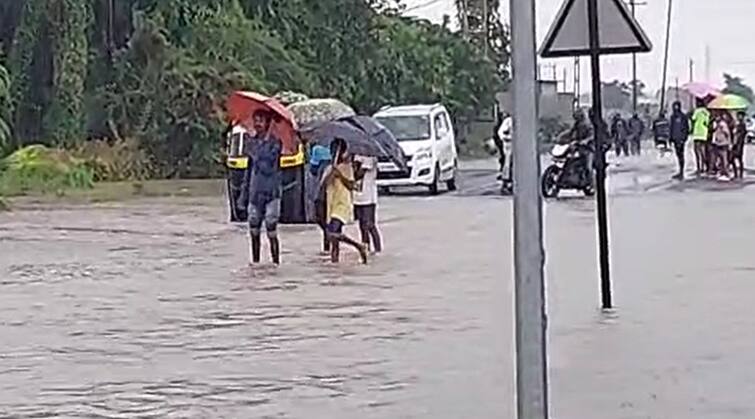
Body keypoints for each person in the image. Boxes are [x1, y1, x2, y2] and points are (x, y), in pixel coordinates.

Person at [238, 111, 283, 265]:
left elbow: (267, 166)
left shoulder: (275, 144)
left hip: (272, 193)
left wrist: (256, 151)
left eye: (261, 121)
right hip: (254, 193)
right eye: (255, 121)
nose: (257, 124)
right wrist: (243, 195)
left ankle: (275, 263)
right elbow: (249, 171)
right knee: (253, 228)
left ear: (268, 123)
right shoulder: (252, 142)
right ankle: (255, 263)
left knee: (271, 227)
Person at [322, 138, 368, 264]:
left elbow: (351, 185)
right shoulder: (329, 168)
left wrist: (340, 175)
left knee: (332, 232)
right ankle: (334, 262)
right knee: (334, 240)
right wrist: (331, 172)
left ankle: (358, 246)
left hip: (343, 204)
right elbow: (324, 185)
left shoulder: (347, 167)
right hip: (331, 204)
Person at [353, 154, 383, 253]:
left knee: (370, 224)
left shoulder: (370, 158)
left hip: (368, 196)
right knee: (362, 225)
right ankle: (366, 247)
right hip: (357, 195)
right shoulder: (355, 156)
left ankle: (377, 249)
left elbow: (359, 174)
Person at [309, 144, 332, 252]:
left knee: (320, 217)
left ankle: (328, 246)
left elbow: (312, 170)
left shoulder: (317, 149)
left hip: (322, 190)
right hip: (331, 191)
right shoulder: (340, 147)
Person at [669, 101, 690, 180]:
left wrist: (684, 138)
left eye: (676, 106)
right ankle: (680, 171)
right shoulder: (672, 117)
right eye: (674, 106)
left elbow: (686, 128)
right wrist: (670, 138)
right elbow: (671, 128)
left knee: (681, 155)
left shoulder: (683, 116)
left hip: (681, 138)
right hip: (675, 138)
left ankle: (682, 171)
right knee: (678, 155)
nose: (675, 108)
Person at [690, 100, 711, 175]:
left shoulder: (697, 111)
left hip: (697, 133)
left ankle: (699, 168)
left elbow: (693, 119)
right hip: (704, 134)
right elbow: (707, 123)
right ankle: (704, 167)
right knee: (703, 152)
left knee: (697, 152)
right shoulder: (707, 112)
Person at [711, 114, 732, 180]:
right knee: (720, 159)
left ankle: (727, 174)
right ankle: (722, 173)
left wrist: (729, 142)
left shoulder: (722, 124)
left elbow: (727, 133)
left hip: (723, 143)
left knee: (724, 159)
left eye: (717, 117)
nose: (715, 118)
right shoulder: (717, 124)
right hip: (718, 143)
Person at [732, 111, 747, 179]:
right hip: (738, 144)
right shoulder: (739, 125)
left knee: (737, 158)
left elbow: (739, 135)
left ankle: (739, 173)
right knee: (734, 159)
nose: (738, 117)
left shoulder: (742, 125)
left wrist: (736, 132)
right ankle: (738, 173)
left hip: (739, 144)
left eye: (740, 116)